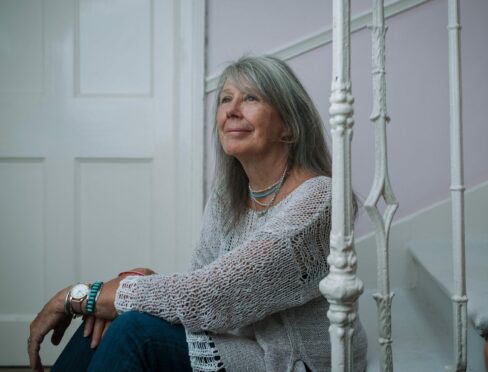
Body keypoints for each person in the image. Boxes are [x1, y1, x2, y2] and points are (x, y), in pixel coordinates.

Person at [27, 55, 368, 372]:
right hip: (236, 341)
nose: (232, 110)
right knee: (112, 318)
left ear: (288, 126)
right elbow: (199, 285)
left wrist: (84, 296)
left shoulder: (321, 199)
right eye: (225, 99)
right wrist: (125, 293)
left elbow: (209, 295)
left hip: (292, 361)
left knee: (133, 327)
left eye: (251, 98)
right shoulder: (228, 194)